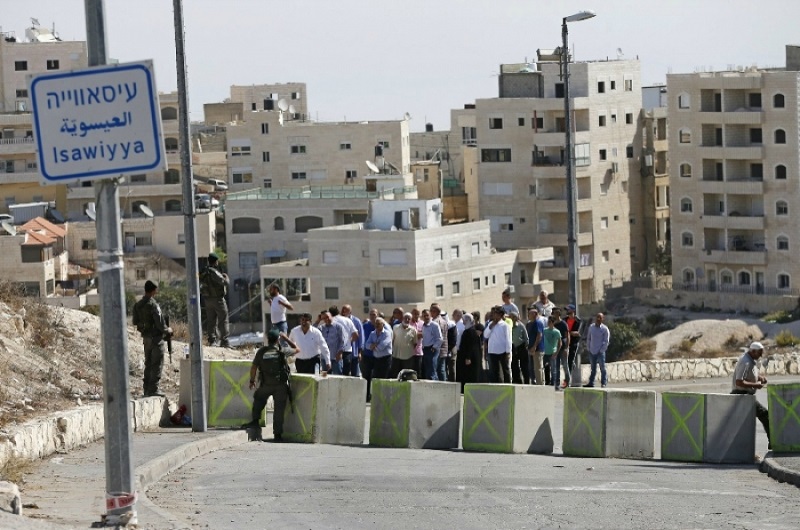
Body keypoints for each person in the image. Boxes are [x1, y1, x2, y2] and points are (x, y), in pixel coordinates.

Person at [241, 330, 296, 441]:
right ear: (277, 340)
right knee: (279, 410)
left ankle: (255, 421)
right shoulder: (282, 351)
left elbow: (254, 367)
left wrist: (252, 381)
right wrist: (286, 338)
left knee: (258, 398)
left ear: (268, 339)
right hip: (280, 386)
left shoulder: (261, 351)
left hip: (266, 384)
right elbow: (297, 349)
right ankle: (277, 435)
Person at [132, 280, 172, 397]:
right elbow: (160, 324)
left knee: (148, 364)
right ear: (154, 290)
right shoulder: (153, 305)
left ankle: (146, 389)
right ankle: (153, 389)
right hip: (156, 339)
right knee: (157, 364)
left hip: (146, 338)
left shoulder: (138, 305)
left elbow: (135, 321)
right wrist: (168, 330)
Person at [731, 341, 771, 449]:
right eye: (759, 353)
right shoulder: (745, 362)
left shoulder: (751, 361)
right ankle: (772, 442)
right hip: (741, 395)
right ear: (753, 351)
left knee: (746, 423)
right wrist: (755, 385)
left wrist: (760, 378)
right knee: (764, 414)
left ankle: (746, 450)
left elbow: (750, 375)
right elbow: (739, 382)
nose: (760, 356)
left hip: (746, 395)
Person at [199, 253, 230, 347]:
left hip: (207, 300)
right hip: (218, 300)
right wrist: (226, 277)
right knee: (223, 319)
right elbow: (225, 282)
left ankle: (212, 340)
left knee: (211, 320)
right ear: (215, 261)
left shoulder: (203, 271)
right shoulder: (214, 272)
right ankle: (224, 341)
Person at [484, 306, 512, 383]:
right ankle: (496, 384)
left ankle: (507, 384)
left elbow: (508, 339)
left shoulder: (505, 325)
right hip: (492, 351)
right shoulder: (490, 324)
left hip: (502, 351)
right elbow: (485, 335)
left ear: (500, 315)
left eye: (496, 313)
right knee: (494, 370)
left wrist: (508, 351)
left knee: (505, 369)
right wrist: (491, 326)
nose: (494, 315)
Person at [456, 314, 483, 392]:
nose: (463, 322)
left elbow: (471, 346)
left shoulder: (470, 332)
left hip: (469, 359)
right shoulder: (469, 331)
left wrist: (468, 357)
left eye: (464, 320)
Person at [330, 305, 358, 377]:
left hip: (335, 351)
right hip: (347, 350)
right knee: (346, 374)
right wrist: (349, 341)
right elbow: (356, 334)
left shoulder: (331, 320)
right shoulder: (348, 320)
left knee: (335, 375)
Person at [584, 313, 610, 388]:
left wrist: (601, 350)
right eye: (597, 317)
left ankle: (603, 383)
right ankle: (591, 383)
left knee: (602, 368)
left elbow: (606, 341)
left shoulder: (605, 329)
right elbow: (589, 338)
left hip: (600, 352)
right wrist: (588, 348)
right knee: (593, 369)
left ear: (602, 319)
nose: (598, 319)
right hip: (592, 351)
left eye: (600, 318)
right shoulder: (591, 327)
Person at [390, 313, 418, 378]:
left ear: (411, 320)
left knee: (407, 375)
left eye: (409, 319)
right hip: (396, 355)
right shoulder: (395, 327)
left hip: (408, 357)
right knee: (395, 374)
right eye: (406, 318)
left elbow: (415, 343)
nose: (407, 320)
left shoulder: (413, 330)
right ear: (403, 318)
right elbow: (392, 340)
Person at [365, 317, 393, 382]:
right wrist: (374, 345)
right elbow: (366, 345)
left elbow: (381, 347)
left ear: (383, 325)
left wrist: (372, 346)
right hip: (376, 359)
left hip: (385, 359)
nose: (377, 325)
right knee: (375, 378)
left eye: (379, 324)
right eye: (376, 323)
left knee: (383, 378)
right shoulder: (372, 333)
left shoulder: (387, 334)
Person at [341, 304, 363, 377]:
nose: (343, 311)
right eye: (343, 310)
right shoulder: (340, 320)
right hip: (343, 352)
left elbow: (360, 337)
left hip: (354, 352)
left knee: (354, 373)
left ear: (350, 312)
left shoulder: (356, 321)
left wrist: (359, 352)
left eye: (346, 310)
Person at [420, 309, 442, 380]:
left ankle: (435, 385)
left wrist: (434, 347)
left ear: (430, 315)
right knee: (427, 371)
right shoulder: (423, 326)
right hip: (425, 349)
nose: (426, 317)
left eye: (427, 315)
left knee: (432, 370)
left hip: (432, 350)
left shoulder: (434, 325)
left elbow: (439, 338)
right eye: (424, 316)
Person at [509, 311, 530, 384]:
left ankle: (526, 381)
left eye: (512, 317)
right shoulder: (508, 326)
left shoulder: (521, 325)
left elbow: (526, 337)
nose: (510, 318)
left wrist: (526, 346)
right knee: (514, 365)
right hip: (512, 347)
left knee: (524, 366)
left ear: (515, 318)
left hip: (521, 347)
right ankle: (517, 380)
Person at [361, 309, 378, 400]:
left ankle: (375, 395)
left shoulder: (380, 325)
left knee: (376, 376)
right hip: (367, 354)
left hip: (378, 355)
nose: (372, 316)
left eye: (374, 314)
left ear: (377, 315)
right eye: (371, 314)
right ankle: (366, 395)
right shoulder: (365, 326)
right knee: (366, 375)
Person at [527, 308, 547, 385]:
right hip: (531, 348)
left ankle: (540, 383)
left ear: (534, 314)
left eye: (530, 314)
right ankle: (535, 381)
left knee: (538, 367)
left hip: (538, 349)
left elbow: (539, 335)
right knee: (532, 367)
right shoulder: (529, 324)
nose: (528, 315)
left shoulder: (538, 323)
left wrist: (535, 346)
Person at [430, 304, 449, 381]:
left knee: (437, 370)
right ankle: (444, 385)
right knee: (442, 369)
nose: (430, 312)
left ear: (435, 312)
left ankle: (439, 385)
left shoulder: (436, 322)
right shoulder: (444, 321)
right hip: (444, 348)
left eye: (431, 311)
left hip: (437, 349)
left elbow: (437, 336)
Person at [552, 308, 571, 388]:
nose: (554, 315)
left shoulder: (563, 324)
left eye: (555, 313)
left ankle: (567, 382)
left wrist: (566, 348)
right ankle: (557, 383)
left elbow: (567, 336)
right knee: (556, 366)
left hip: (563, 348)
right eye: (553, 313)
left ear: (558, 314)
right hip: (555, 348)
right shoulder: (553, 324)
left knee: (565, 366)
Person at [565, 304, 583, 385]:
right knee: (565, 361)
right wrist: (570, 333)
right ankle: (572, 364)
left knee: (569, 361)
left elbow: (578, 333)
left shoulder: (578, 321)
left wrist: (568, 332)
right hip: (565, 342)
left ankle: (567, 381)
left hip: (573, 343)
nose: (567, 311)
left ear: (573, 311)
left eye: (568, 310)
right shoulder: (564, 320)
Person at [543, 316, 563, 391]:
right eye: (548, 322)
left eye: (550, 322)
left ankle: (554, 384)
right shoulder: (544, 330)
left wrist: (556, 353)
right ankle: (547, 383)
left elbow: (560, 343)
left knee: (553, 370)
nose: (548, 323)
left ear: (553, 322)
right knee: (545, 368)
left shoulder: (556, 332)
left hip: (552, 352)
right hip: (545, 352)